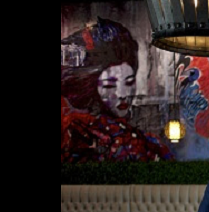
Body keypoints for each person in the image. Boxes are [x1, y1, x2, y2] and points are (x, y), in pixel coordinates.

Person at [61, 17, 171, 162]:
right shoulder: (77, 135)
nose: (122, 94)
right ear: (92, 88)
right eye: (110, 85)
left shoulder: (148, 142)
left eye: (129, 82)